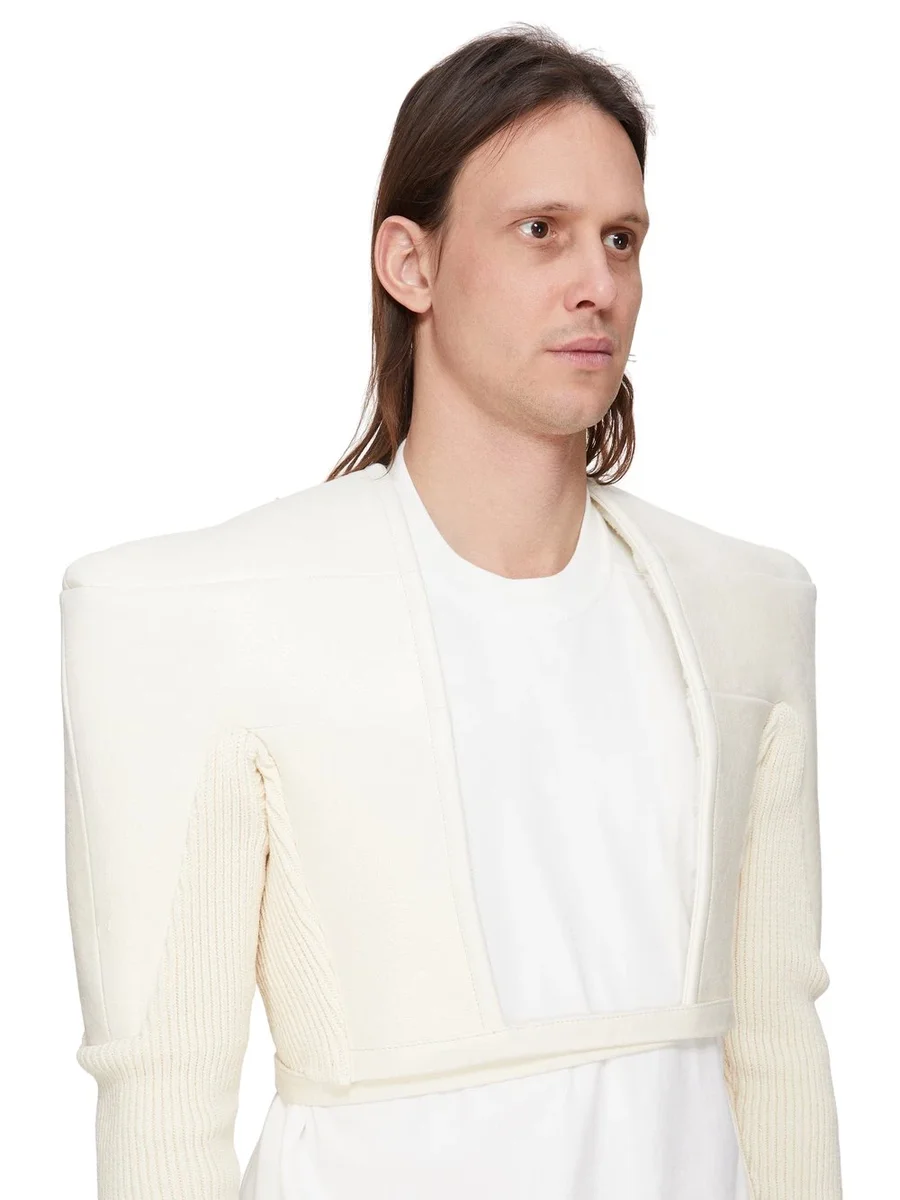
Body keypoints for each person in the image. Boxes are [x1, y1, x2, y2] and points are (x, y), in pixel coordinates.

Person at [60, 23, 843, 1200]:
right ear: (410, 264)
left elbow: (777, 1046)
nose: (598, 284)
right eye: (541, 230)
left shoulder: (743, 610)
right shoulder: (204, 617)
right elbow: (162, 1100)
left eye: (621, 239)